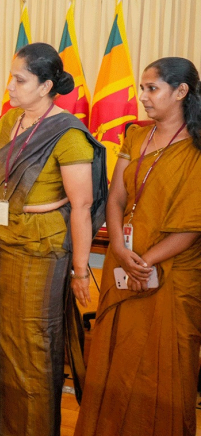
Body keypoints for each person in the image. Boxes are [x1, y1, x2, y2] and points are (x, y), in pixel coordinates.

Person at [0, 43, 108, 436]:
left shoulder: (68, 134)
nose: (10, 87)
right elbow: (5, 178)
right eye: (11, 78)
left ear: (46, 84)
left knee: (33, 343)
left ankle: (33, 428)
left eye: (20, 80)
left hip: (42, 248)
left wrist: (80, 271)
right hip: (1, 239)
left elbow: (81, 208)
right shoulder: (7, 123)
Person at [75, 58, 201, 436]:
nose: (142, 96)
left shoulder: (196, 147)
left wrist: (143, 261)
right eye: (141, 88)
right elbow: (116, 197)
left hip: (171, 272)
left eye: (152, 89)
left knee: (165, 365)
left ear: (181, 92)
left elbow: (193, 227)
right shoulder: (135, 135)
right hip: (123, 260)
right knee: (113, 354)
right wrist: (117, 243)